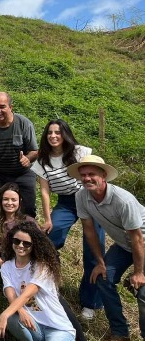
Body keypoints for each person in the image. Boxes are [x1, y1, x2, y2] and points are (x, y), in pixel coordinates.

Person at [0, 221, 95, 341]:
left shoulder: (42, 267)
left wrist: (4, 315)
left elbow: (28, 293)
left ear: (35, 245)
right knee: (13, 318)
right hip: (35, 327)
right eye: (16, 241)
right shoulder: (6, 267)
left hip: (57, 328)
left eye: (26, 243)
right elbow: (10, 293)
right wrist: (20, 311)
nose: (20, 245)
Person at [68, 155, 145, 341]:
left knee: (144, 291)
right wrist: (100, 261)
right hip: (123, 245)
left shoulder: (123, 199)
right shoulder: (81, 196)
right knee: (103, 278)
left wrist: (139, 272)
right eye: (83, 175)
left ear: (104, 176)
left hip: (141, 243)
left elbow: (138, 238)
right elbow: (89, 230)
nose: (87, 178)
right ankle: (120, 332)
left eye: (91, 174)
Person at [34, 119, 105, 320]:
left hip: (89, 199)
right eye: (50, 133)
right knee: (49, 239)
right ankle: (47, 284)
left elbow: (95, 174)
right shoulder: (42, 160)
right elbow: (45, 191)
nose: (53, 136)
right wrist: (48, 218)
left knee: (94, 249)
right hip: (66, 203)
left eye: (58, 132)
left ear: (65, 134)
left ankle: (90, 303)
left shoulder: (80, 152)